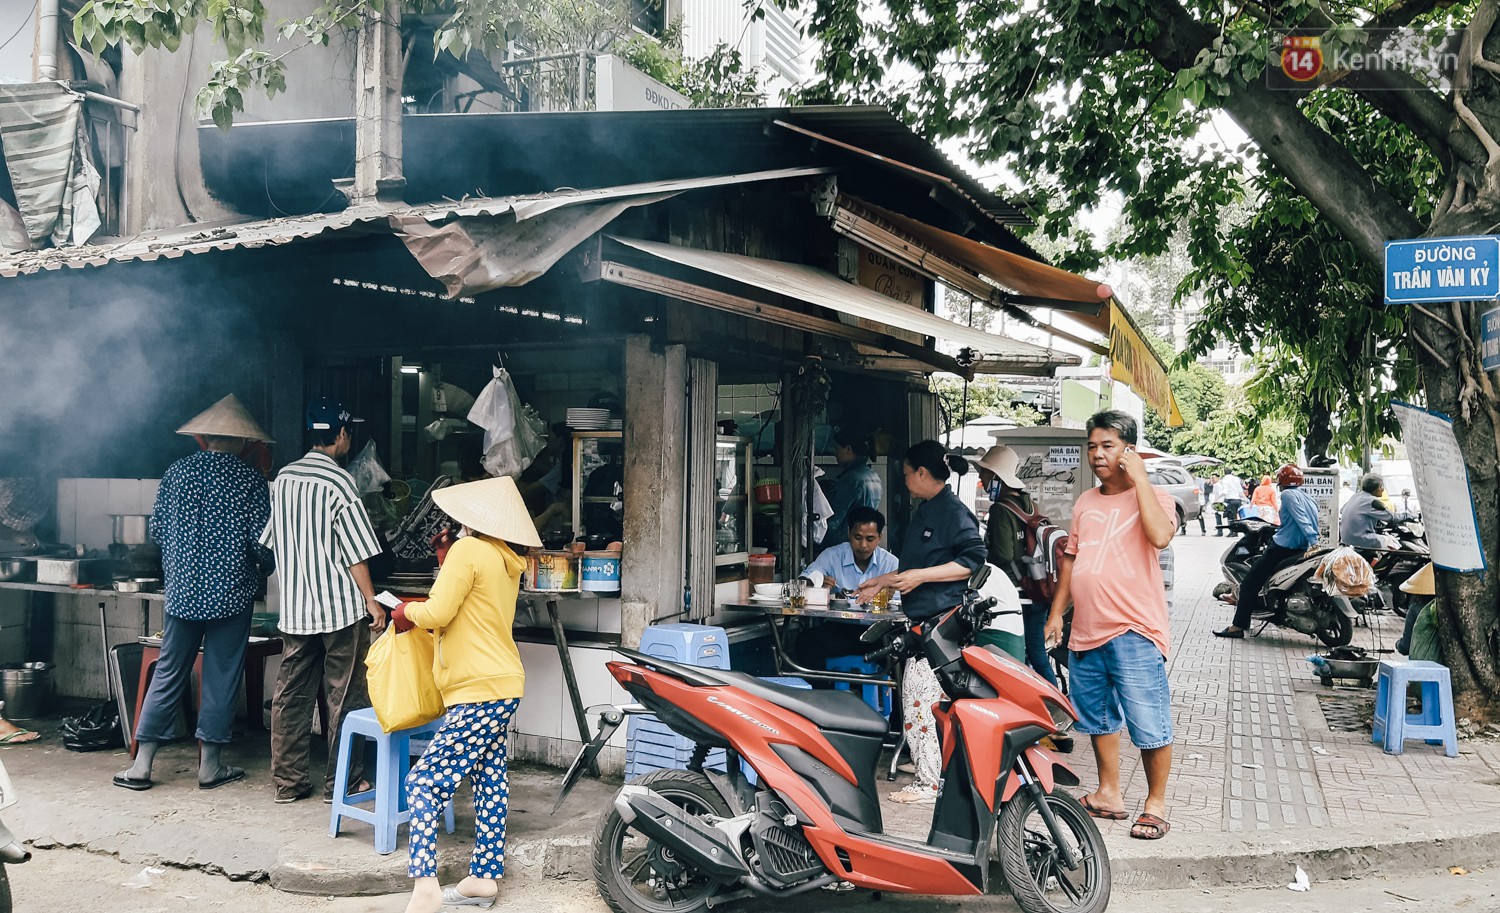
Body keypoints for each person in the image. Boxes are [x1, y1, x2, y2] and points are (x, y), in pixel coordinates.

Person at [391, 476, 539, 913]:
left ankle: (425, 886)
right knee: (490, 780)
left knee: (423, 782)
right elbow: (472, 606)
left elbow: (437, 613)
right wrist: (445, 558)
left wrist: (404, 610)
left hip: (476, 688)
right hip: (503, 683)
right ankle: (483, 879)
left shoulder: (467, 551)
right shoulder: (504, 558)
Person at [114, 395, 273, 792]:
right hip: (231, 594)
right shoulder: (249, 480)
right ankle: (210, 767)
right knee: (221, 676)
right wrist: (263, 569)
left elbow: (158, 532)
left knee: (169, 671)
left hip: (183, 593)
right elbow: (263, 542)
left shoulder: (176, 472)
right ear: (243, 441)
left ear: (205, 437)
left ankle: (142, 766)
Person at [1043, 410, 1176, 840]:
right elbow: (1071, 560)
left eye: (1107, 446)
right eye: (1092, 446)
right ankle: (1109, 793)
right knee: (1097, 718)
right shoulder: (1085, 502)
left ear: (1129, 451)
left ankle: (1155, 804)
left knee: (1148, 721)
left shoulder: (1156, 497)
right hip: (1086, 629)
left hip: (1134, 630)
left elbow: (1159, 536)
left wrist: (1140, 480)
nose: (1096, 455)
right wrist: (1055, 615)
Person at [261, 397, 388, 804]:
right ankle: (345, 782)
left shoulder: (282, 479)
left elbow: (271, 540)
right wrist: (372, 601)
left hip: (296, 612)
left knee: (291, 697)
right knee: (345, 698)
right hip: (339, 612)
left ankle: (288, 782)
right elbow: (356, 553)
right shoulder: (338, 482)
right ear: (343, 435)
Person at [854, 441, 986, 805]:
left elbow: (974, 561)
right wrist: (884, 580)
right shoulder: (927, 510)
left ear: (923, 474)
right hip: (923, 624)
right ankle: (932, 776)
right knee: (917, 700)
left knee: (921, 702)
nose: (906, 480)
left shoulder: (953, 512)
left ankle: (930, 783)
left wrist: (922, 577)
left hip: (942, 626)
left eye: (908, 473)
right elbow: (915, 568)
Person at [974, 444, 1058, 687]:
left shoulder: (1000, 509)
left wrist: (982, 555)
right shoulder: (1028, 503)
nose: (982, 479)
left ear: (996, 477)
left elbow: (1003, 553)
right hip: (1036, 588)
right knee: (1037, 655)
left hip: (1016, 595)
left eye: (985, 474)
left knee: (1017, 656)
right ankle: (1054, 704)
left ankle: (1051, 707)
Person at [1214, 464, 1320, 639]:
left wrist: (1313, 540)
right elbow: (1308, 520)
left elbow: (1301, 519)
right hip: (1300, 549)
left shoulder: (1287, 495)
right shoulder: (1307, 496)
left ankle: (1238, 626)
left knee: (1249, 583)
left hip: (1282, 549)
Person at [794, 506, 900, 671]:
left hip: (877, 633)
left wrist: (891, 594)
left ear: (880, 537)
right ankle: (822, 694)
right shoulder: (832, 556)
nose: (863, 545)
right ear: (849, 533)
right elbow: (802, 580)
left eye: (870, 538)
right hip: (839, 631)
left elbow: (904, 602)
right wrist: (816, 583)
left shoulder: (891, 564)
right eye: (857, 537)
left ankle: (890, 695)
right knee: (806, 641)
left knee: (902, 648)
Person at [823, 427, 882, 547]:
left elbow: (834, 520)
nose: (835, 453)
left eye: (837, 448)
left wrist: (818, 542)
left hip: (845, 545)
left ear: (848, 449)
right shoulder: (873, 476)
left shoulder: (851, 479)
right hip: (865, 543)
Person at [1340, 472, 1414, 550]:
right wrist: (1411, 516)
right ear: (1378, 488)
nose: (1383, 489)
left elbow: (1342, 510)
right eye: (1382, 486)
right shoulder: (1372, 501)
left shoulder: (1356, 496)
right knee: (1392, 541)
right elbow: (1392, 517)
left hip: (1346, 539)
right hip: (1361, 539)